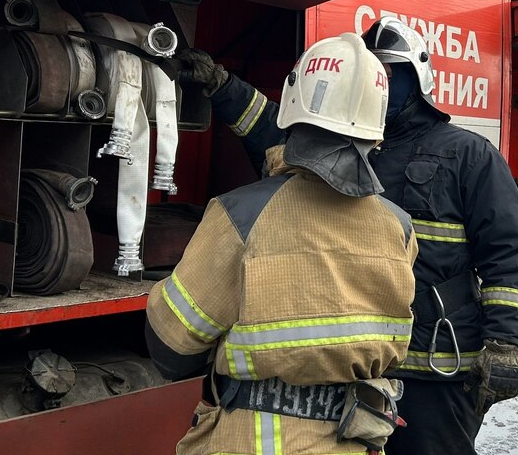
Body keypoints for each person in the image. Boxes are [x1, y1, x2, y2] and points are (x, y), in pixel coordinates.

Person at [180, 16, 518, 454]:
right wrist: (222, 85)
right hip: (359, 369)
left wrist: (503, 344)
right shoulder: (345, 146)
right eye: (373, 74)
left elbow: (507, 251)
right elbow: (275, 128)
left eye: (390, 73)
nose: (379, 85)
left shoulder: (469, 154)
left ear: (417, 79)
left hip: (436, 370)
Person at [145, 32, 419, 455]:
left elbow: (172, 348)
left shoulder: (241, 214)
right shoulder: (399, 226)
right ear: (377, 126)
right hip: (356, 439)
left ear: (291, 106)